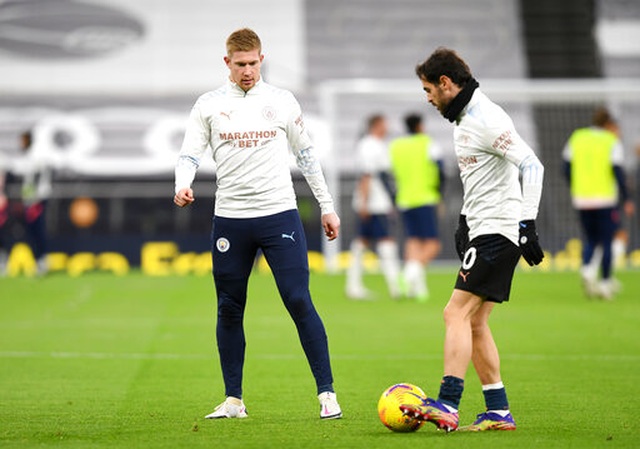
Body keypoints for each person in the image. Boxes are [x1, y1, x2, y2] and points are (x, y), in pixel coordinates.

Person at [173, 28, 342, 420]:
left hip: (279, 214)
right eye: (240, 64)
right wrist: (182, 184)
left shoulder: (281, 101)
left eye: (253, 63)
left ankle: (327, 393)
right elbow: (189, 154)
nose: (247, 71)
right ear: (227, 62)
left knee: (298, 298)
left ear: (261, 59)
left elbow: (307, 155)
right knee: (229, 308)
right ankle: (234, 400)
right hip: (231, 220)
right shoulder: (209, 105)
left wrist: (327, 206)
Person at [399, 48, 545, 432]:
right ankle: (497, 410)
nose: (428, 98)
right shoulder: (463, 117)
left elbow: (532, 164)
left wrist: (527, 222)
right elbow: (484, 178)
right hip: (485, 226)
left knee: (455, 313)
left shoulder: (485, 118)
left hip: (499, 229)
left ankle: (447, 403)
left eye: (429, 89)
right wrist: (465, 220)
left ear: (446, 84)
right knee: (476, 321)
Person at [562, 107, 634, 300]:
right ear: (609, 125)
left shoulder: (577, 137)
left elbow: (566, 167)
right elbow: (618, 172)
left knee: (591, 239)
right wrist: (627, 198)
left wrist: (576, 185)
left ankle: (587, 269)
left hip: (582, 199)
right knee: (608, 241)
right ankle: (605, 281)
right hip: (604, 200)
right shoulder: (611, 142)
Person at [389, 113, 444, 301]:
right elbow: (440, 169)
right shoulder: (428, 143)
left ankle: (416, 289)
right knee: (433, 244)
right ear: (420, 126)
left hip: (404, 199)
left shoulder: (397, 146)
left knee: (413, 241)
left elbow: (389, 172)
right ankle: (408, 275)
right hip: (425, 197)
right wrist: (440, 195)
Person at [346, 114, 401, 300]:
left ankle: (353, 285)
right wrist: (364, 203)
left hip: (378, 202)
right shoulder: (369, 145)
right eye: (385, 123)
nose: (388, 127)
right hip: (374, 204)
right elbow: (366, 175)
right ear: (376, 125)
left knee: (362, 242)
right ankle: (396, 286)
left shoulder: (377, 144)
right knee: (385, 242)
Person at [15, 131, 55, 275]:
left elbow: (37, 177)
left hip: (37, 199)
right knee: (32, 230)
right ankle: (38, 259)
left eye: (22, 140)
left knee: (38, 229)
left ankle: (42, 260)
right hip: (30, 199)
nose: (20, 144)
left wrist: (34, 198)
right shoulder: (29, 156)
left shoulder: (37, 155)